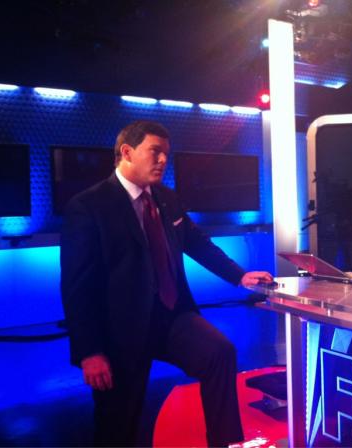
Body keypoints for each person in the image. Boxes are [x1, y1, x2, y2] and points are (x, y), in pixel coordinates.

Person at [60, 120, 273, 447]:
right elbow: (77, 288)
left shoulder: (166, 198)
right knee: (117, 424)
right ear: (127, 152)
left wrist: (238, 275)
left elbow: (197, 243)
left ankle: (226, 443)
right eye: (155, 151)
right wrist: (90, 351)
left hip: (171, 316)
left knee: (219, 353)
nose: (162, 160)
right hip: (120, 331)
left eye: (166, 154)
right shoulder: (88, 206)